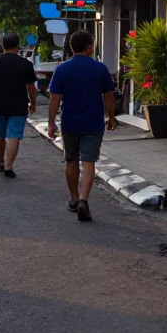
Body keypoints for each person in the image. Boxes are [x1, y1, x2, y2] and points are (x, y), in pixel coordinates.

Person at [47, 30, 117, 221]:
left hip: (70, 122)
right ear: (89, 47)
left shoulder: (62, 69)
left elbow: (54, 98)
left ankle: (74, 199)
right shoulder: (100, 68)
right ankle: (84, 201)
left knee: (71, 160)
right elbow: (109, 96)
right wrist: (111, 117)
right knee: (88, 162)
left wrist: (51, 123)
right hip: (93, 123)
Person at [0, 33, 38, 178]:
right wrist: (33, 103)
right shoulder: (25, 64)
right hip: (18, 107)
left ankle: (1, 162)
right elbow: (31, 88)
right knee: (14, 136)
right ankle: (8, 166)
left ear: (3, 46)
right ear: (18, 46)